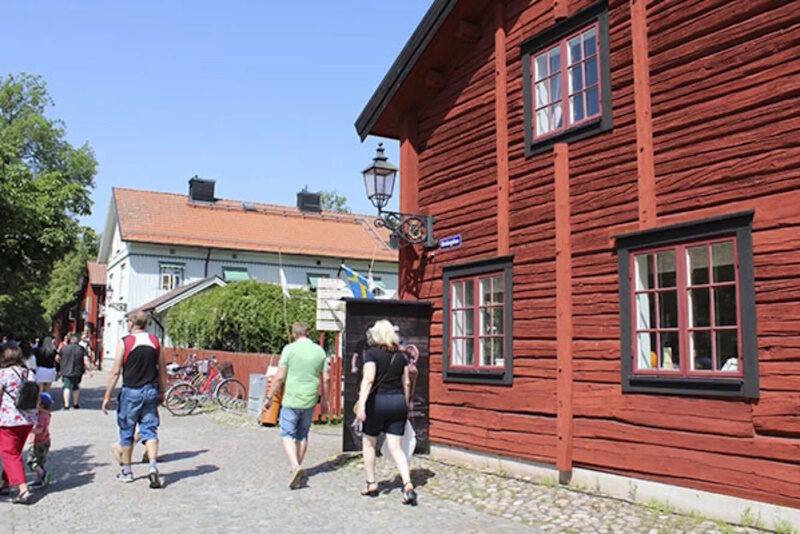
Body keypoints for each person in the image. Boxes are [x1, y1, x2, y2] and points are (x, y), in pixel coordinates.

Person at [102, 310, 166, 489]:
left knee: (127, 431)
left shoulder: (125, 342)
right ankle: (153, 467)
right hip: (151, 390)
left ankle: (127, 472)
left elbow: (115, 371)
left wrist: (107, 394)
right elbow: (162, 368)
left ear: (131, 323)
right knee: (150, 430)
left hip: (131, 391)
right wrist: (162, 390)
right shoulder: (155, 341)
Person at [355, 319, 417, 505]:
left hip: (377, 403)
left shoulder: (371, 354)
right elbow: (406, 382)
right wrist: (404, 404)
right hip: (397, 402)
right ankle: (408, 485)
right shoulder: (402, 357)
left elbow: (368, 379)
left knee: (369, 442)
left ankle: (371, 483)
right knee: (396, 447)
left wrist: (362, 405)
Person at [263, 321, 329, 489]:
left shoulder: (289, 350)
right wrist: (326, 401)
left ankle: (295, 466)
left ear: (294, 335)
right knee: (302, 434)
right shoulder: (320, 351)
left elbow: (279, 377)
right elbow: (326, 378)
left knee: (287, 433)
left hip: (292, 398)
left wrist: (270, 397)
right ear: (308, 334)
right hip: (310, 398)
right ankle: (297, 468)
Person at [0, 346, 38, 504]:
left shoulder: (3, 374)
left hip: (8, 420)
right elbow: (37, 396)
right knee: (15, 452)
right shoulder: (29, 373)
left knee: (9, 454)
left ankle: (23, 490)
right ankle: (5, 483)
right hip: (27, 420)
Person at [56, 333, 92, 409]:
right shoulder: (81, 349)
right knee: (76, 387)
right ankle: (75, 404)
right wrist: (90, 370)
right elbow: (85, 360)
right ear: (78, 341)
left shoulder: (64, 348)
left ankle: (66, 405)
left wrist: (61, 363)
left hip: (65, 370)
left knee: (67, 387)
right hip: (77, 371)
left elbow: (57, 358)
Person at [27, 392, 52, 488]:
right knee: (40, 462)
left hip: (38, 442)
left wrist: (29, 429)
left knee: (32, 462)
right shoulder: (47, 414)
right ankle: (39, 480)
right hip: (46, 440)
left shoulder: (41, 416)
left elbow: (39, 429)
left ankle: (44, 474)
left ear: (40, 404)